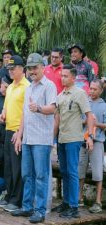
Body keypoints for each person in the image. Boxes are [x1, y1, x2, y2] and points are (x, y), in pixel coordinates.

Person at [11, 53, 57, 223]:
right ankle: (27, 207)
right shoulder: (28, 87)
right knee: (26, 175)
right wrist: (19, 134)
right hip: (28, 138)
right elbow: (24, 113)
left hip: (41, 139)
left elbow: (52, 108)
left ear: (42, 68)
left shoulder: (49, 86)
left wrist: (37, 108)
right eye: (30, 68)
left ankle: (40, 211)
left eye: (35, 68)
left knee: (40, 176)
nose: (32, 71)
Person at [53, 64, 94, 218]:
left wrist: (89, 136)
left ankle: (74, 207)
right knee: (64, 171)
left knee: (72, 172)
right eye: (61, 75)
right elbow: (57, 120)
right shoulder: (60, 95)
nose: (62, 78)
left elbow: (89, 115)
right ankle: (65, 202)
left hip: (74, 139)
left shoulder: (80, 93)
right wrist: (53, 139)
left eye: (65, 76)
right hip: (61, 139)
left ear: (73, 77)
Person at [0, 55, 30, 212]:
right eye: (9, 69)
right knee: (9, 166)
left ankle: (17, 200)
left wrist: (19, 133)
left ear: (21, 69)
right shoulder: (10, 87)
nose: (10, 72)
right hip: (8, 129)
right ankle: (9, 195)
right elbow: (5, 106)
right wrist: (2, 114)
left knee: (17, 167)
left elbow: (26, 112)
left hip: (19, 131)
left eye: (13, 69)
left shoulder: (27, 87)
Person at [78, 79, 106, 213]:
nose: (92, 91)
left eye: (95, 89)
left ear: (101, 90)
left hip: (97, 142)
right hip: (83, 142)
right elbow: (79, 120)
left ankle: (98, 202)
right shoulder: (85, 103)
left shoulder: (104, 106)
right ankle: (79, 198)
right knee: (80, 170)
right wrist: (85, 121)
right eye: (91, 88)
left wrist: (96, 124)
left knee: (97, 172)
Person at [0, 77, 11, 144]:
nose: (6, 90)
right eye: (5, 87)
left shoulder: (11, 98)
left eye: (8, 88)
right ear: (1, 84)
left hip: (5, 132)